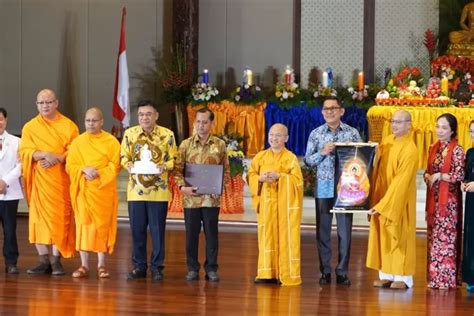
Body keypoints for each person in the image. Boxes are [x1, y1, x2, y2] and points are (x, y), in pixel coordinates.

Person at [19, 89, 79, 275]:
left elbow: (76, 151)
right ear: (37, 105)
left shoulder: (69, 126)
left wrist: (59, 158)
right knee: (39, 221)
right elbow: (24, 152)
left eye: (48, 102)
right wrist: (44, 154)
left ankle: (56, 261)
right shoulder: (30, 127)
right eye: (41, 103)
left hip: (60, 181)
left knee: (59, 220)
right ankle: (43, 261)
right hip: (40, 181)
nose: (45, 106)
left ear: (56, 103)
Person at [304, 96, 362, 285]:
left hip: (347, 188)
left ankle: (343, 271)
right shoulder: (316, 134)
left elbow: (361, 159)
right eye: (326, 109)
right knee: (323, 230)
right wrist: (322, 152)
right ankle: (325, 271)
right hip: (324, 186)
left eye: (334, 108)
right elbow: (307, 161)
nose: (330, 111)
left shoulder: (352, 133)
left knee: (345, 231)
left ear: (341, 111)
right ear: (322, 112)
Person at [121, 100, 177, 281]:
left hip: (158, 192)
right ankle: (139, 266)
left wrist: (164, 166)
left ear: (156, 116)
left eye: (148, 114)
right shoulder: (130, 134)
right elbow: (124, 157)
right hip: (136, 191)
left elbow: (173, 160)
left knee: (157, 231)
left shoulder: (167, 135)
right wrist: (128, 165)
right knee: (137, 231)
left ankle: (157, 267)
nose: (144, 118)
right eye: (141, 115)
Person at [173, 107, 230, 282]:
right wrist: (182, 187)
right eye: (198, 121)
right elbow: (177, 170)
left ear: (212, 123)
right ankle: (192, 268)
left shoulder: (219, 145)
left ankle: (211, 268)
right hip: (191, 199)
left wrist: (219, 186)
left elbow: (226, 171)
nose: (201, 125)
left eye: (205, 122)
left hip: (211, 200)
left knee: (212, 234)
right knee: (191, 234)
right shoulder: (185, 144)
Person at [66, 107, 121, 278]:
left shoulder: (111, 141)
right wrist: (83, 169)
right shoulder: (78, 142)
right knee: (83, 225)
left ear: (101, 122)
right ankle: (83, 265)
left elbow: (115, 165)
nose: (91, 123)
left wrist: (99, 173)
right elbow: (70, 165)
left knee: (101, 227)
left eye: (94, 120)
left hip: (102, 190)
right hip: (84, 190)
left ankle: (101, 265)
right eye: (88, 120)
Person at [366, 110, 418, 289]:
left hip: (398, 202)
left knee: (399, 235)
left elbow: (401, 183)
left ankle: (403, 277)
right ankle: (386, 274)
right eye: (393, 121)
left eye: (400, 122)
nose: (395, 125)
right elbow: (376, 169)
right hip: (382, 197)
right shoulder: (387, 141)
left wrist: (383, 205)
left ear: (409, 124)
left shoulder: (410, 149)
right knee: (384, 236)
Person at [247, 123, 303, 286]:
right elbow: (251, 174)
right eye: (271, 134)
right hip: (266, 205)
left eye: (278, 135)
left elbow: (298, 182)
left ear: (286, 138)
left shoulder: (290, 158)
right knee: (267, 236)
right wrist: (260, 179)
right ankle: (266, 272)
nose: (274, 138)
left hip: (284, 207)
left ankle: (285, 273)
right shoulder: (260, 157)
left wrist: (281, 177)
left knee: (285, 237)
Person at [424, 113, 465, 290]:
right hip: (434, 199)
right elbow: (428, 170)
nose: (439, 130)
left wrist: (440, 175)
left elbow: (459, 175)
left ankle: (446, 280)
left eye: (444, 127)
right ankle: (434, 278)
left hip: (448, 203)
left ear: (452, 130)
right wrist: (428, 175)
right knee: (434, 238)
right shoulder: (434, 147)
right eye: (438, 126)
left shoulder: (457, 150)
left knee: (446, 240)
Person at [0, 108, 23, 274]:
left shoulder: (17, 142)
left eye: (0, 119)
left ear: (6, 120)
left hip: (10, 192)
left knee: (9, 230)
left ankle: (11, 262)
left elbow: (21, 166)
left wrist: (5, 181)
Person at [462, 120, 474, 291]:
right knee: (471, 235)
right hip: (471, 201)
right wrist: (464, 184)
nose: (473, 135)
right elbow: (466, 173)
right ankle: (471, 277)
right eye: (471, 132)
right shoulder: (470, 152)